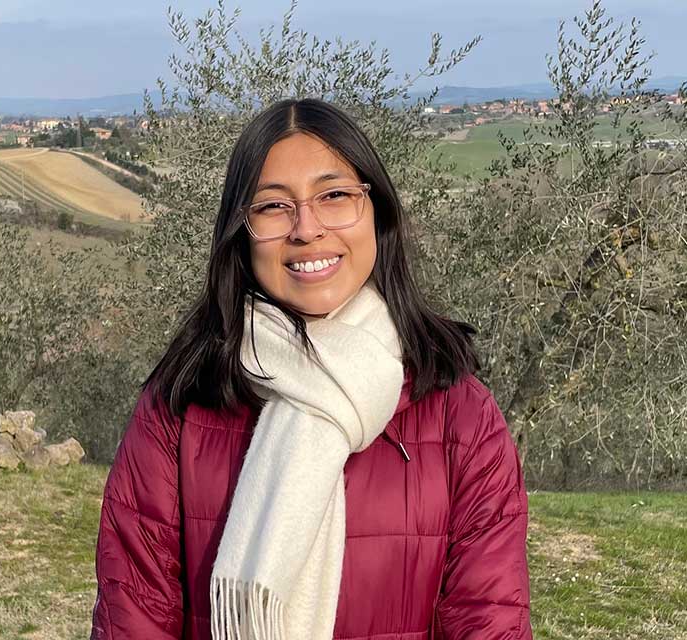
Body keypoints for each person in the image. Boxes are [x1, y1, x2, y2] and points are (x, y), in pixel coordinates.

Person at [90, 98, 532, 640]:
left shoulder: (460, 414)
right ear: (240, 231)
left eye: (335, 195)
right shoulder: (178, 408)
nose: (307, 228)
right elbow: (134, 617)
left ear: (377, 211)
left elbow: (488, 620)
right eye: (273, 207)